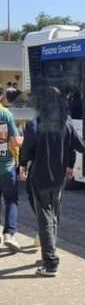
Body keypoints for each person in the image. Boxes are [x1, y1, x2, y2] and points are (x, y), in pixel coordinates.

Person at [19, 87, 85, 277]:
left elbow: (26, 148)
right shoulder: (66, 122)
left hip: (40, 177)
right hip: (58, 178)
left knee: (45, 217)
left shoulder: (35, 122)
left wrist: (23, 164)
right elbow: (81, 147)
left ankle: (50, 262)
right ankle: (50, 252)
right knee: (54, 215)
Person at [0, 85, 23, 251]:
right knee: (11, 200)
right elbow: (15, 141)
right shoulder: (5, 114)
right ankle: (9, 234)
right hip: (6, 167)